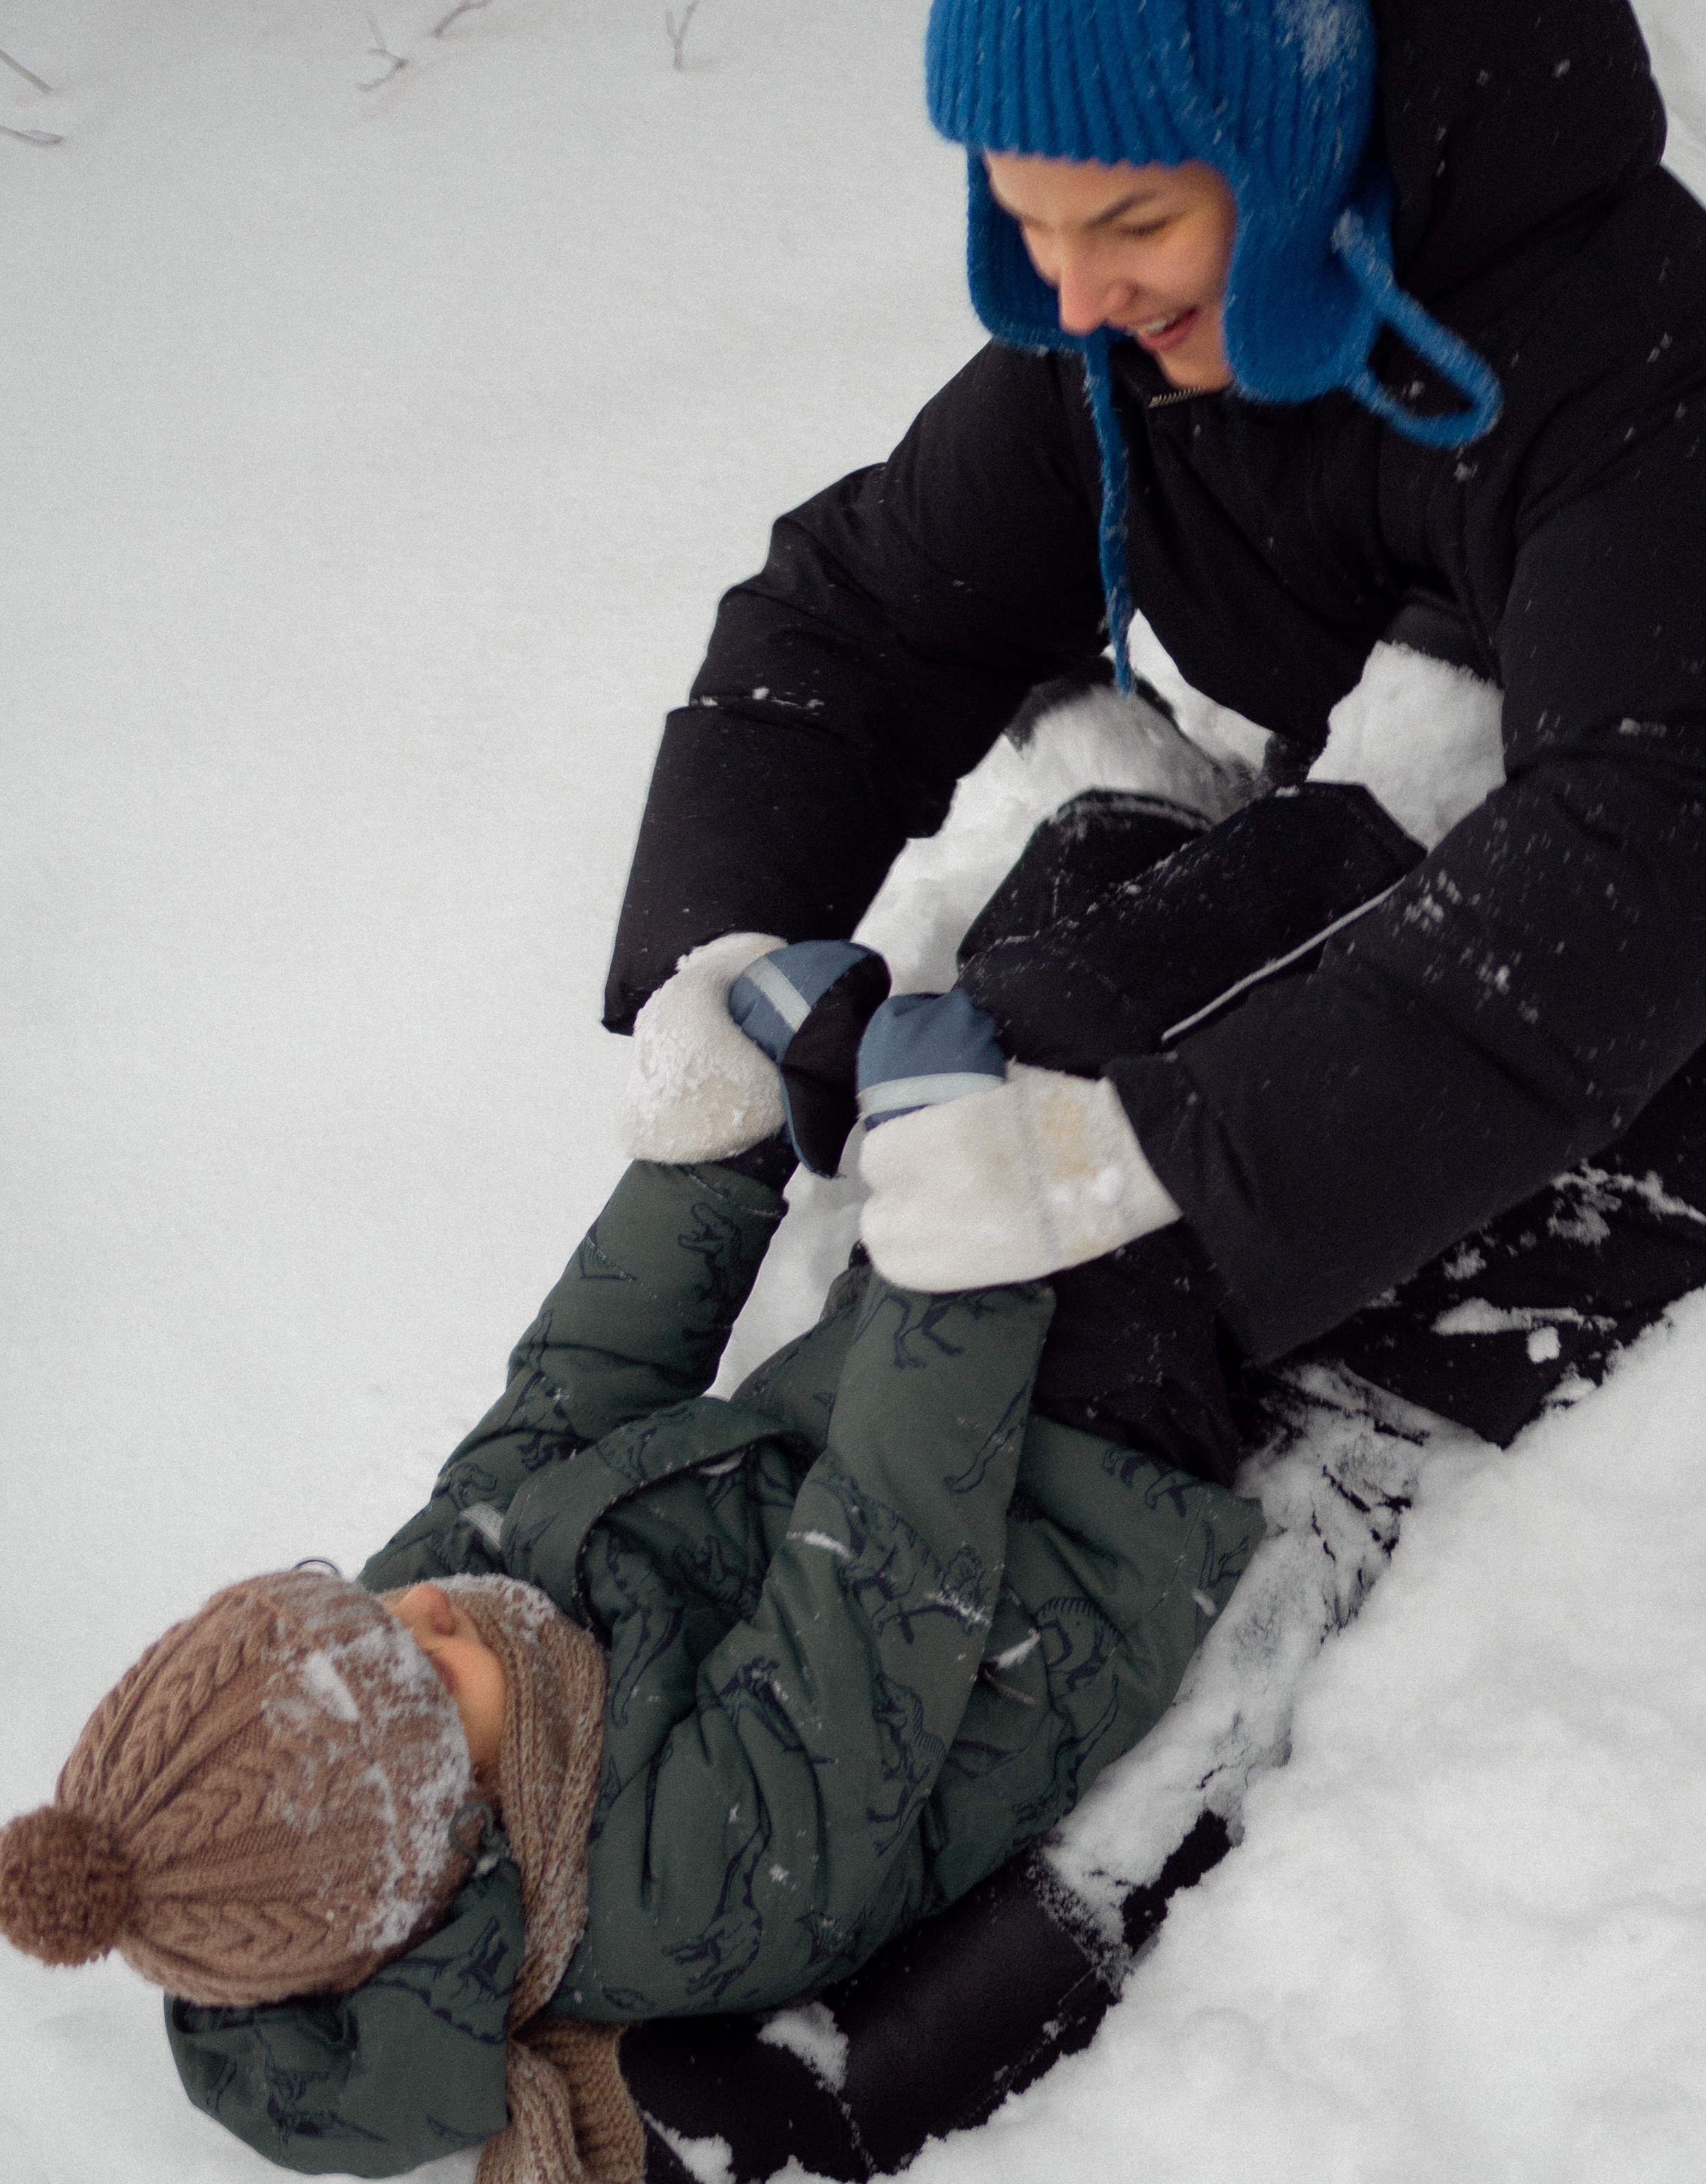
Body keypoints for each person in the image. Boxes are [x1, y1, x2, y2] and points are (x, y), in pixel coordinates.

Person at [0, 938, 1269, 2184]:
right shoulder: (667, 1886)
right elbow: (889, 1573)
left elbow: (567, 1391)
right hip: (1077, 1514)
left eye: (358, 1618)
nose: (426, 1605)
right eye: (415, 1667)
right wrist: (961, 1235)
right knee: (1104, 1031)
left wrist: (718, 1146)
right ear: (444, 1833)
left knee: (1031, 969)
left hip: (906, 1382)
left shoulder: (432, 1655)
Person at [607, 0, 1706, 1451]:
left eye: (1131, 223)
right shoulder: (1130, 349)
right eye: (1030, 222)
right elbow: (867, 609)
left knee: (1192, 1318)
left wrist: (1167, 1153)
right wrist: (716, 931)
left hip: (1635, 991)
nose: (1072, 296)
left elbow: (1640, 859)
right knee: (1038, 1017)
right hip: (1429, 853)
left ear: (1297, 149)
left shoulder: (1637, 368)